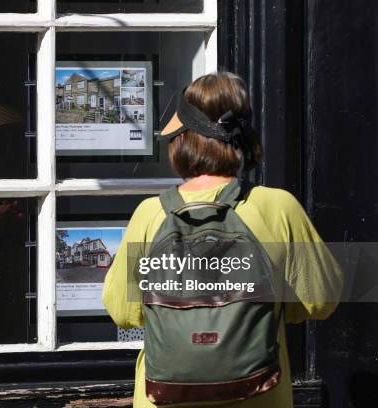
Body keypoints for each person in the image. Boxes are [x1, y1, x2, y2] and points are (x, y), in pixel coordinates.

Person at [102, 71, 342, 407]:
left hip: (165, 397)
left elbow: (123, 313)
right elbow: (321, 301)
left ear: (182, 139)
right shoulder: (278, 207)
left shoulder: (150, 213)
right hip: (259, 395)